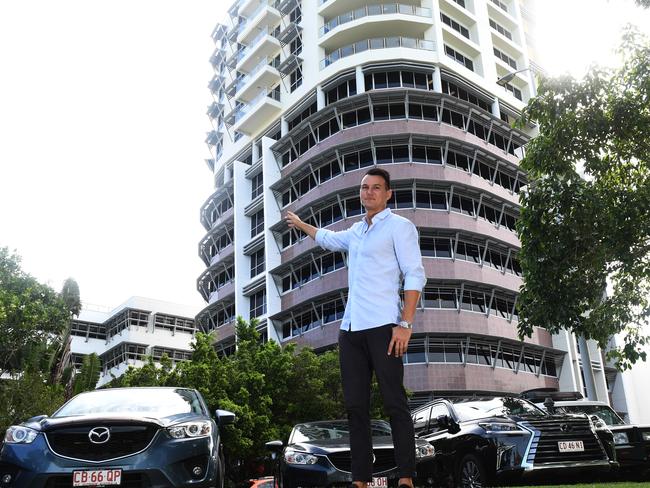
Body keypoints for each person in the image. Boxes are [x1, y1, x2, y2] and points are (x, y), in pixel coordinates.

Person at [285, 167, 426, 488]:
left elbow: (415, 274)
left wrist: (406, 323)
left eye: (376, 188)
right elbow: (329, 239)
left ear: (388, 193)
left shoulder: (400, 228)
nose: (369, 192)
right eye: (364, 188)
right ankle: (361, 480)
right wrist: (301, 224)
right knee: (355, 408)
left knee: (394, 403)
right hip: (351, 331)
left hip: (385, 327)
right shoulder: (357, 232)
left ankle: (406, 476)